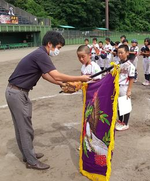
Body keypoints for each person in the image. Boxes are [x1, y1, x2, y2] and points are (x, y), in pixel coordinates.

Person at [5, 31, 90, 170]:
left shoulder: (39, 54)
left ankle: (28, 155)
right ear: (50, 44)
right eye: (58, 47)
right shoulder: (41, 54)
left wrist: (61, 84)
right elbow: (56, 75)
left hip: (17, 92)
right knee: (25, 128)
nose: (58, 51)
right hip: (17, 93)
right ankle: (31, 161)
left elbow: (45, 76)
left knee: (23, 126)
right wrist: (80, 78)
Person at [115, 45, 135, 131]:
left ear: (127, 53)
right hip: (117, 87)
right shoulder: (118, 63)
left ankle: (126, 123)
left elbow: (131, 78)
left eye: (121, 53)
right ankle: (120, 121)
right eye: (118, 53)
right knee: (119, 105)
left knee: (125, 106)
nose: (119, 54)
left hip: (124, 87)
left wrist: (129, 90)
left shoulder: (130, 65)